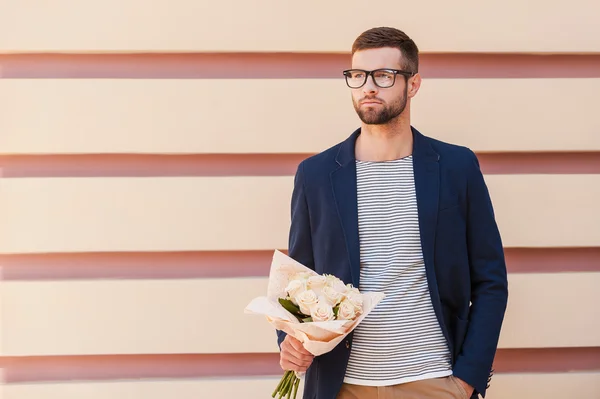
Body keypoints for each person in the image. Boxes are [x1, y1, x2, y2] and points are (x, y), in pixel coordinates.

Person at [276, 26, 509, 399]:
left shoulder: (455, 166)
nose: (368, 86)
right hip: (341, 383)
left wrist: (467, 378)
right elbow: (297, 279)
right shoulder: (316, 175)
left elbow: (490, 280)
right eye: (357, 75)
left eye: (384, 76)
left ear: (412, 84)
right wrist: (290, 340)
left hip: (433, 377)